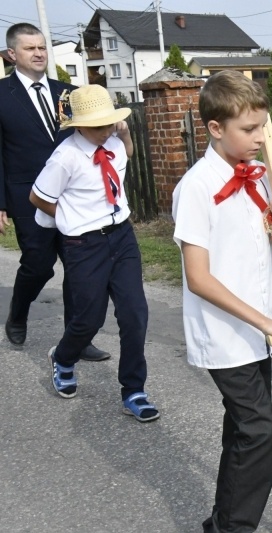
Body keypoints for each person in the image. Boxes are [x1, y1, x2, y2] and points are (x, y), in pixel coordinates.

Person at [172, 70, 272, 533]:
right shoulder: (196, 186)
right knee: (261, 432)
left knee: (242, 432)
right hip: (224, 333)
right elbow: (198, 278)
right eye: (249, 129)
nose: (260, 138)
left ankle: (221, 524)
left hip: (256, 330)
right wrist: (266, 323)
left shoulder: (261, 177)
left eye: (262, 126)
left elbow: (264, 245)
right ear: (215, 128)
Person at [29, 84, 157, 423]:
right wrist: (71, 218)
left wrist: (124, 134)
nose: (105, 130)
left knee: (135, 314)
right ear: (80, 126)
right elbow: (38, 197)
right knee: (89, 318)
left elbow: (126, 156)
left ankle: (133, 390)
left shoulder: (113, 141)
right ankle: (63, 357)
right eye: (97, 125)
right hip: (84, 245)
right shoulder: (66, 157)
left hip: (122, 237)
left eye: (109, 122)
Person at [0, 23, 109, 361]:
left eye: (42, 47)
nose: (38, 53)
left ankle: (77, 339)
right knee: (39, 264)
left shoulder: (68, 94)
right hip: (27, 197)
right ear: (12, 54)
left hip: (72, 195)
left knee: (78, 268)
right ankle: (18, 313)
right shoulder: (2, 94)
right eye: (30, 48)